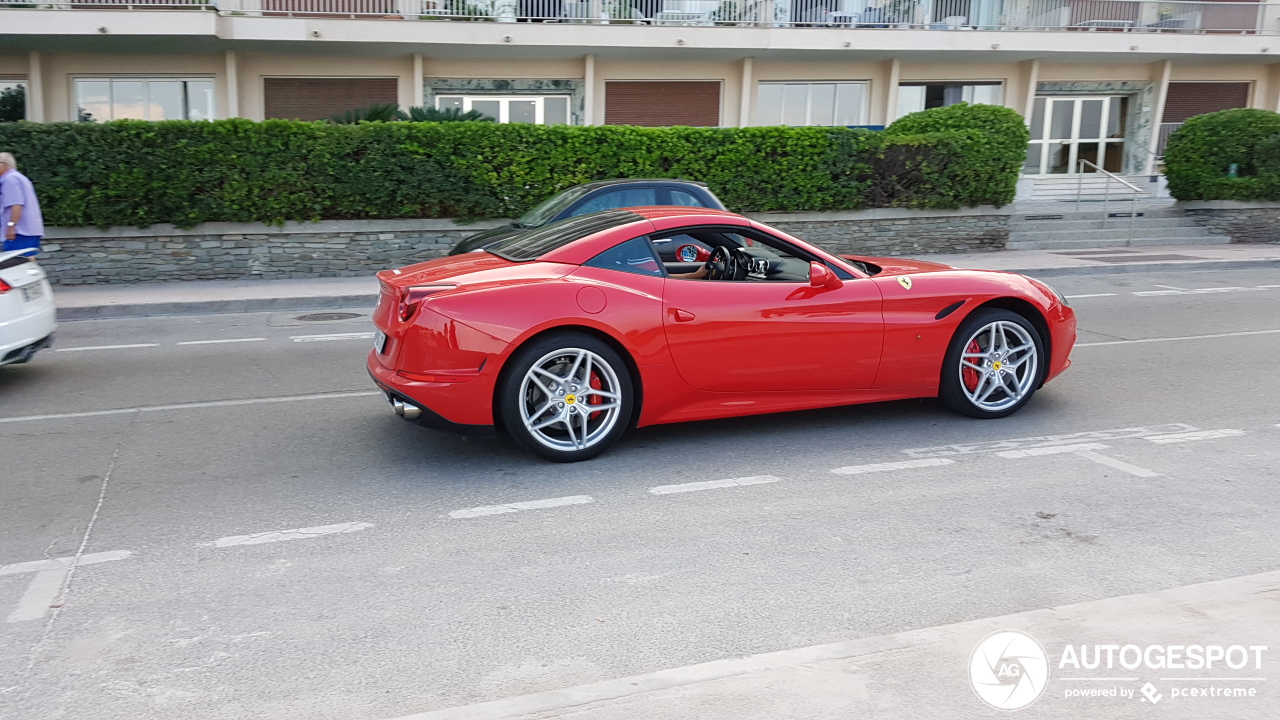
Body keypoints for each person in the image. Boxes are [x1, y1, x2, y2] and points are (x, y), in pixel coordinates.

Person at [0, 152, 44, 256]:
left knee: (15, 261)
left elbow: (16, 204)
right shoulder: (19, 177)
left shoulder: (9, 180)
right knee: (27, 260)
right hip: (29, 229)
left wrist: (11, 226)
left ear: (4, 164)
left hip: (19, 231)